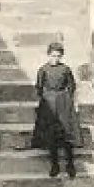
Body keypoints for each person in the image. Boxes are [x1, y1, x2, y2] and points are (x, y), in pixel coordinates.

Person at [31, 41, 81, 178]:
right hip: (49, 103)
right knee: (51, 135)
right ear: (48, 55)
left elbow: (71, 86)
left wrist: (69, 101)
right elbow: (39, 87)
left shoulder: (65, 69)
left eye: (58, 56)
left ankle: (70, 164)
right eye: (53, 56)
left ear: (61, 56)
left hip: (63, 102)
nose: (55, 59)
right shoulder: (43, 70)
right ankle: (55, 165)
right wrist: (43, 101)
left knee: (66, 133)